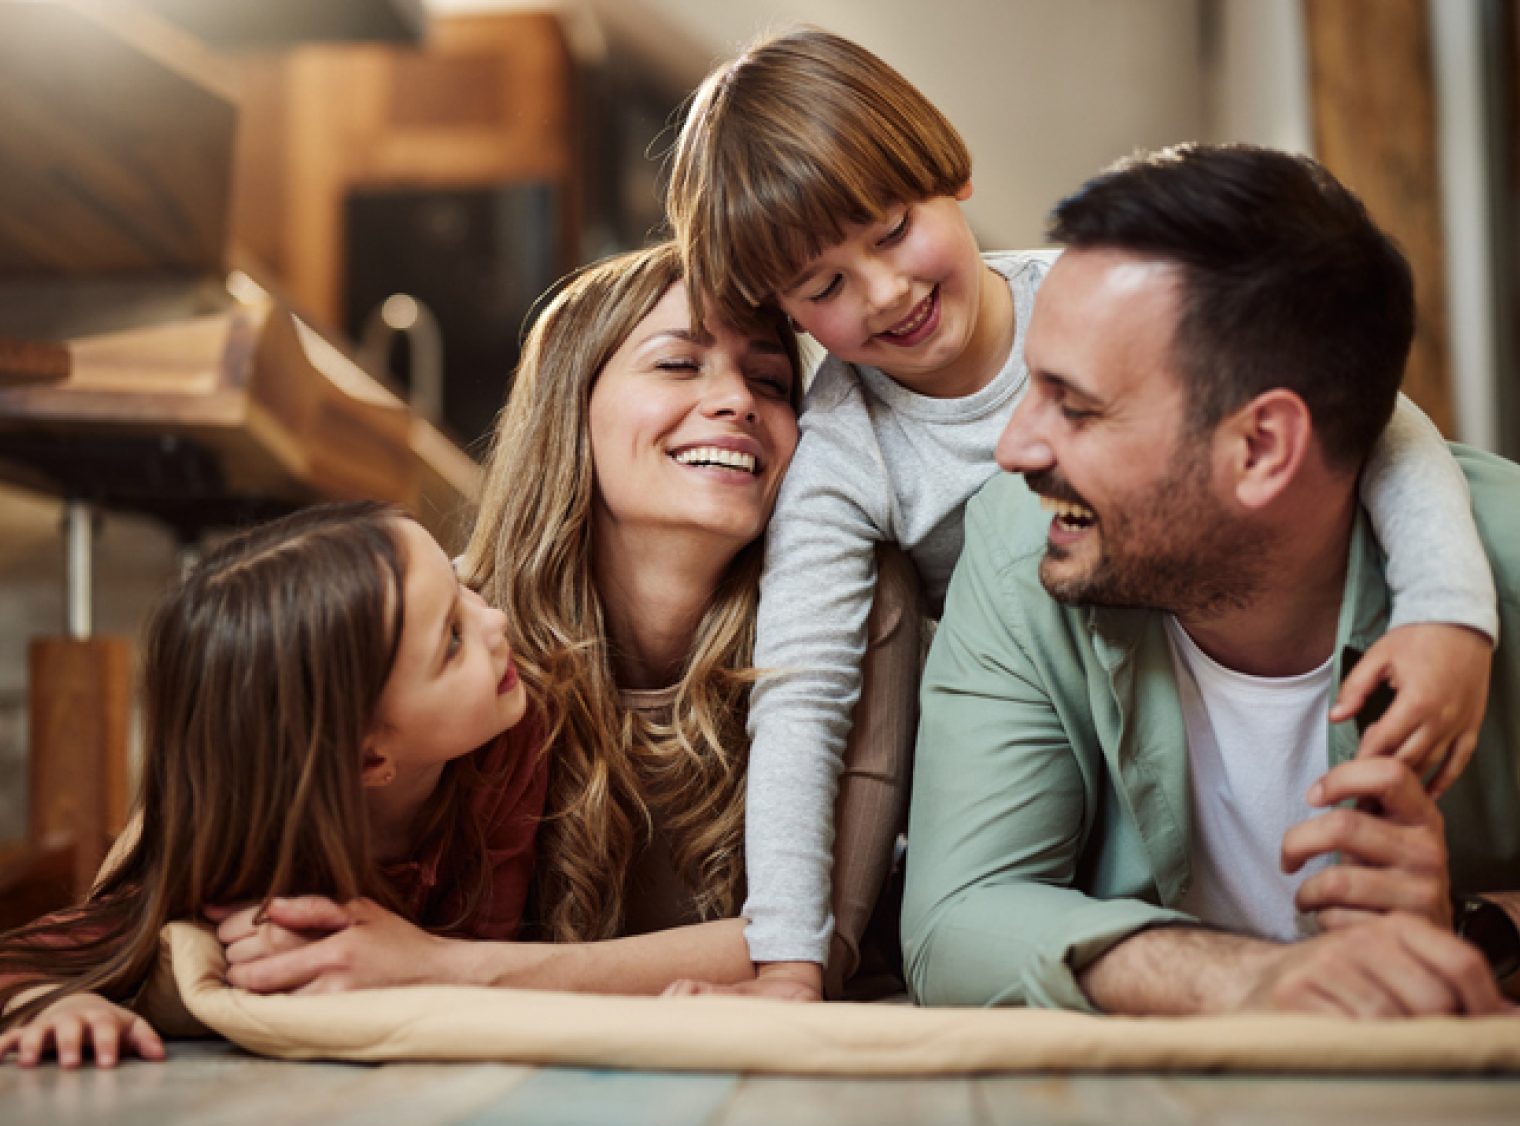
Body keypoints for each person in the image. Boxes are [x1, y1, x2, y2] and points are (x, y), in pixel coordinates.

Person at [664, 27, 1500, 1002]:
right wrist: (789, 966)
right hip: (1052, 726)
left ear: (950, 176)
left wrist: (1446, 609)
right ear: (787, 312)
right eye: (823, 285)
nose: (885, 291)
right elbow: (802, 697)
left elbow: (1363, 410)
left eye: (891, 230)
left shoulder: (1094, 300)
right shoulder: (845, 454)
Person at [206, 242, 922, 997]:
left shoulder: (862, 603)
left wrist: (442, 968)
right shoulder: (467, 638)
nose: (738, 400)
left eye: (771, 381)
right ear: (570, 404)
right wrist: (88, 985)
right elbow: (193, 850)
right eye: (679, 363)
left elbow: (814, 945)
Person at [904, 142, 1520, 1017]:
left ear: (1262, 448)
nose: (1014, 450)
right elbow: (956, 920)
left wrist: (1473, 930)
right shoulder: (1025, 545)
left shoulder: (1506, 557)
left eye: (1075, 406)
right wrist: (1250, 979)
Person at [0, 501, 545, 1067]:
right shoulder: (241, 863)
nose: (496, 619)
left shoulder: (509, 745)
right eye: (453, 639)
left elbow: (487, 958)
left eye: (460, 585)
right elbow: (37, 957)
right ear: (365, 761)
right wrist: (63, 1007)